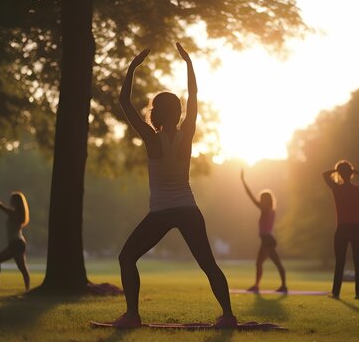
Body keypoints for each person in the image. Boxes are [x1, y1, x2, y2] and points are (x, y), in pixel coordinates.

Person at [113, 43, 237, 328]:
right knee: (208, 264)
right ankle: (228, 317)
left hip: (161, 212)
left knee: (126, 258)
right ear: (178, 112)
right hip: (188, 209)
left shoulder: (150, 137)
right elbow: (194, 95)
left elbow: (124, 103)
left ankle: (132, 315)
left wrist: (133, 67)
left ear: (155, 112)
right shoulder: (187, 134)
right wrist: (188, 63)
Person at [241, 169, 287, 293]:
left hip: (267, 240)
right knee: (261, 263)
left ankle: (282, 286)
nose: (259, 200)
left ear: (265, 200)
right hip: (268, 239)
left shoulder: (265, 209)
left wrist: (243, 181)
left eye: (261, 198)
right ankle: (258, 285)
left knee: (272, 263)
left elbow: (251, 197)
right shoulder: (271, 210)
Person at [323, 160, 359, 299]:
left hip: (343, 228)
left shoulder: (337, 188)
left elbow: (325, 175)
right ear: (351, 173)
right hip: (356, 228)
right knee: (358, 262)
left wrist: (338, 171)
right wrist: (353, 171)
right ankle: (358, 294)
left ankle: (336, 293)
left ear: (340, 174)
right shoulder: (357, 189)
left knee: (340, 262)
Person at [0, 191, 30, 290]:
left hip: (16, 243)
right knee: (23, 268)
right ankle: (27, 289)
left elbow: (2, 207)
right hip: (17, 243)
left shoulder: (15, 214)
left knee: (23, 268)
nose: (10, 201)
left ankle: (27, 289)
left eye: (12, 199)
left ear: (16, 202)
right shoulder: (17, 213)